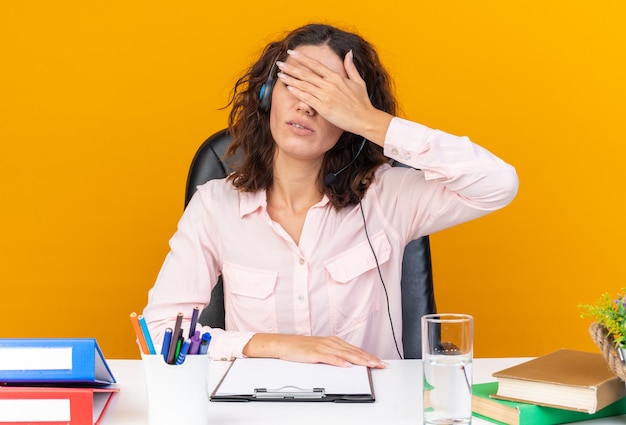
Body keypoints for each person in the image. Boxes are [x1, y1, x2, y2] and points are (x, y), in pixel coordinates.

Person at [143, 23, 518, 369]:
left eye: (328, 96)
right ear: (267, 93)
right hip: (258, 410)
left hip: (369, 410)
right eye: (296, 84)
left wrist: (370, 121)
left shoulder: (388, 196)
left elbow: (497, 183)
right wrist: (278, 344)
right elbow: (161, 332)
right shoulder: (214, 205)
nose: (306, 105)